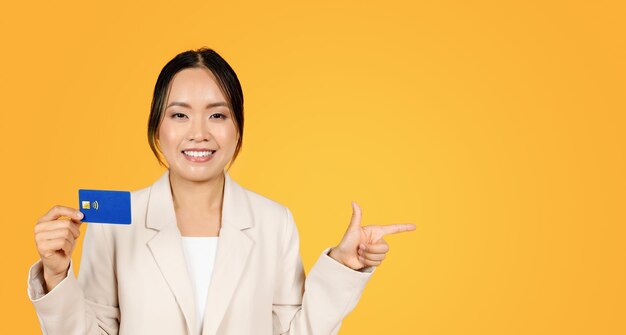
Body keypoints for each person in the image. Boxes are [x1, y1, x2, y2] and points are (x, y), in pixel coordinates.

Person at [27, 48, 416, 335]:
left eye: (217, 114)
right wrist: (56, 276)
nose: (199, 132)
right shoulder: (115, 224)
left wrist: (343, 266)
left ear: (238, 130)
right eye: (179, 114)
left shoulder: (273, 221)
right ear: (157, 130)